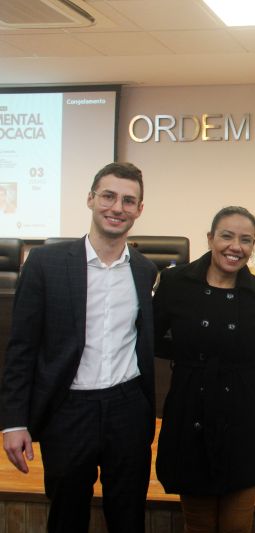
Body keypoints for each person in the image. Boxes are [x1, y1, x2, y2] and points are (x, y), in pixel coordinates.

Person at [0, 162, 158, 532]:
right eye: (108, 196)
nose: (117, 207)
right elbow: (21, 348)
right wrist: (14, 422)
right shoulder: (45, 264)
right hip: (68, 410)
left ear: (139, 209)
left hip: (128, 409)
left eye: (128, 201)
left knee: (129, 517)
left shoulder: (144, 270)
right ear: (90, 199)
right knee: (66, 517)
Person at [153, 206, 255, 533]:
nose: (235, 246)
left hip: (243, 413)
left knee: (237, 524)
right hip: (190, 407)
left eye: (245, 239)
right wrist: (186, 355)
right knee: (197, 523)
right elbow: (150, 340)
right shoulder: (175, 283)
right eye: (227, 236)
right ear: (210, 238)